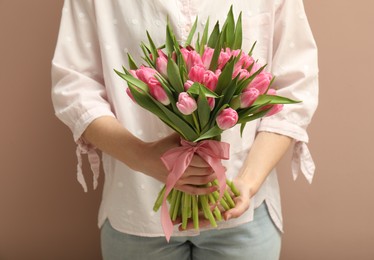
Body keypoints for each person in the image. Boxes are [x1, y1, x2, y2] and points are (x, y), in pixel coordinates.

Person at [51, 0, 318, 259]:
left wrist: (248, 181)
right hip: (136, 206)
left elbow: (295, 84)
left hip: (244, 209)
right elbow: (76, 88)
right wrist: (142, 157)